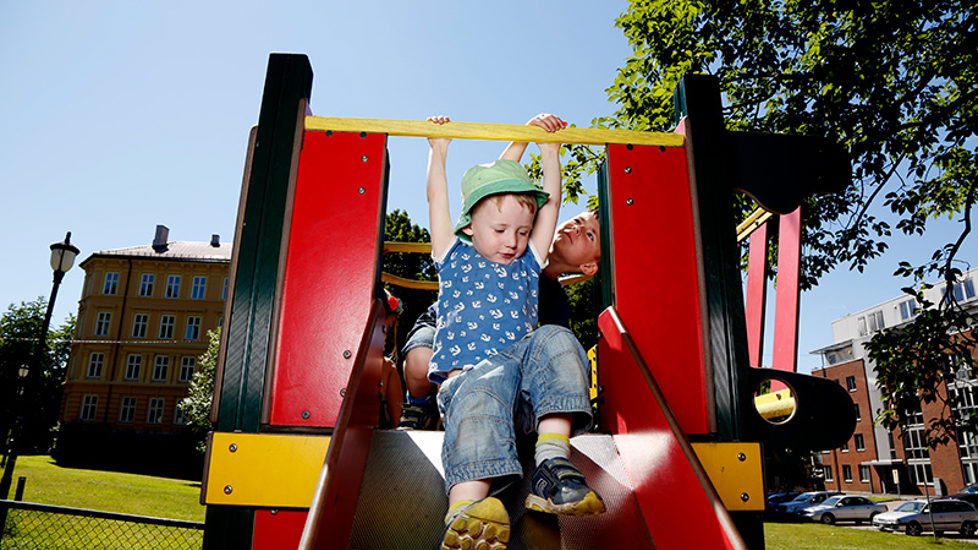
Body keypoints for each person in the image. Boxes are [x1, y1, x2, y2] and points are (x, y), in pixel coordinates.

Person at [423, 114, 605, 550]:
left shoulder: (527, 264)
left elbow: (553, 207)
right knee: (485, 388)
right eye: (501, 230)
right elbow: (436, 200)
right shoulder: (453, 255)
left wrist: (549, 151)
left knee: (558, 339)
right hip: (470, 383)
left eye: (523, 232)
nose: (513, 240)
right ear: (470, 227)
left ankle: (550, 468)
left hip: (522, 396)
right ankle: (465, 512)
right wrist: (438, 150)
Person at [398, 209, 600, 430]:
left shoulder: (555, 301)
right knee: (419, 363)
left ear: (588, 267)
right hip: (445, 323)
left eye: (590, 235)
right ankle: (419, 406)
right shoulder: (515, 243)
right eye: (577, 220)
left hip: (491, 347)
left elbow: (552, 357)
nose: (578, 228)